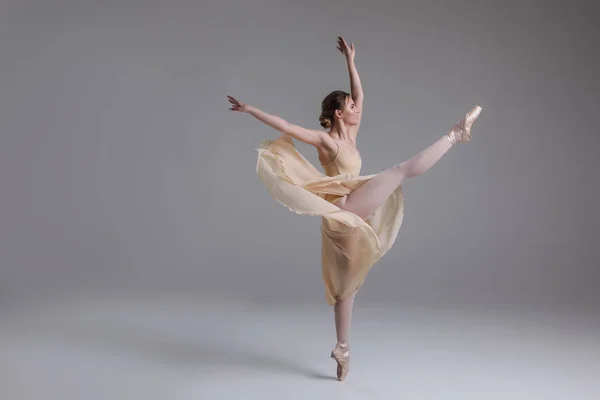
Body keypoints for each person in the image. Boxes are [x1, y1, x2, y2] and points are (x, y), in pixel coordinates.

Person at [227, 36, 482, 381]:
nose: (357, 109)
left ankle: (342, 349)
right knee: (398, 171)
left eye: (354, 106)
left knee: (347, 288)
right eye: (349, 106)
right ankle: (455, 135)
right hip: (344, 208)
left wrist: (350, 61)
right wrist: (250, 110)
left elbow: (361, 95)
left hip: (346, 215)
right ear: (337, 113)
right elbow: (286, 126)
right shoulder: (327, 141)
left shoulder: (351, 133)